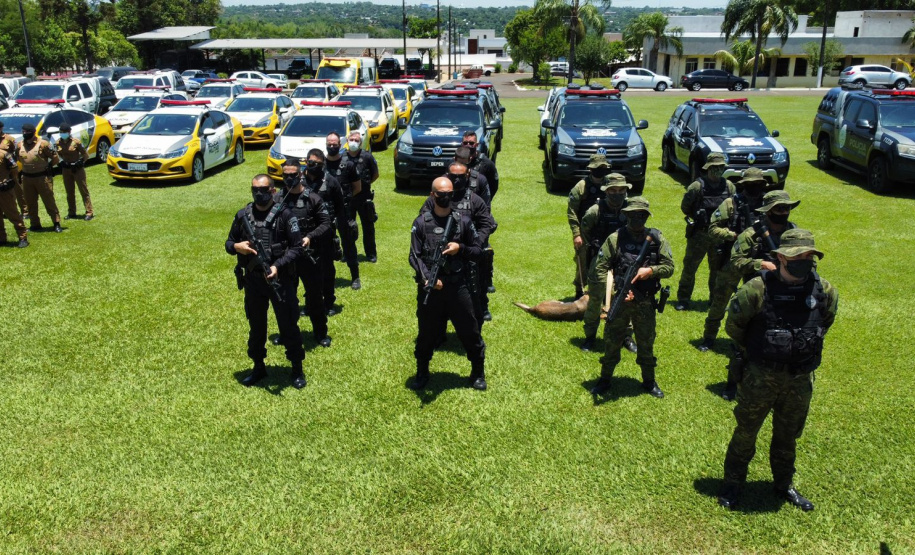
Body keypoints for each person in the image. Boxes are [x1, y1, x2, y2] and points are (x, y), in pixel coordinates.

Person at [717, 229, 838, 512]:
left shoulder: (825, 291)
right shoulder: (756, 290)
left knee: (787, 436)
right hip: (760, 376)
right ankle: (733, 484)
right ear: (781, 257)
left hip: (799, 379)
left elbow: (825, 322)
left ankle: (784, 485)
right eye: (797, 256)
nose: (803, 261)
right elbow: (734, 327)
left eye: (809, 256)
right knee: (746, 432)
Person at [709, 189, 800, 400]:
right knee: (744, 346)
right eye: (778, 208)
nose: (783, 212)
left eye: (786, 208)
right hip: (757, 294)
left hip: (787, 293)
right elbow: (736, 261)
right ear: (768, 211)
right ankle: (733, 383)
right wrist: (761, 264)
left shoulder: (793, 233)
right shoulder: (751, 234)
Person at [583, 197, 674, 398]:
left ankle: (649, 381)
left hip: (646, 301)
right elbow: (599, 268)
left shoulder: (657, 238)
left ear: (647, 216)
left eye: (641, 215)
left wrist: (650, 271)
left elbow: (670, 267)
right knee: (612, 341)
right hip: (621, 300)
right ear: (626, 215)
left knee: (646, 342)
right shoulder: (615, 239)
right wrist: (612, 292)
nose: (637, 219)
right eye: (632, 215)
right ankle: (605, 379)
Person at [226, 174, 306, 388]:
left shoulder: (285, 216)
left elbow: (298, 247)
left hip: (280, 281)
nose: (258, 194)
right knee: (257, 326)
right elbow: (228, 242)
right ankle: (258, 366)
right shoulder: (243, 215)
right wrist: (237, 247)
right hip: (253, 282)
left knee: (288, 324)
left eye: (263, 190)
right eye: (255, 190)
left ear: (272, 191)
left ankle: (296, 368)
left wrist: (277, 266)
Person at [409, 176, 487, 391]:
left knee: (470, 331)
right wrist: (427, 278)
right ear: (432, 195)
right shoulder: (421, 222)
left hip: (458, 287)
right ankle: (422, 371)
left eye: (450, 194)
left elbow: (478, 252)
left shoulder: (463, 222)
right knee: (426, 333)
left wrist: (459, 248)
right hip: (431, 289)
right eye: (442, 194)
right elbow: (414, 256)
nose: (446, 197)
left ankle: (478, 372)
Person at [421, 160, 497, 325]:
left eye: (460, 177)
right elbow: (423, 221)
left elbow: (486, 224)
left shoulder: (475, 201)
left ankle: (480, 315)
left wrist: (476, 243)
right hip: (443, 254)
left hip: (469, 255)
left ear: (467, 176)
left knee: (475, 293)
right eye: (452, 176)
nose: (456, 180)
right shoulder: (436, 198)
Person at [701, 169, 769, 353]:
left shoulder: (768, 204)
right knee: (719, 301)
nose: (754, 188)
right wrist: (734, 236)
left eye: (757, 184)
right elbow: (713, 229)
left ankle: (747, 341)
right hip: (732, 261)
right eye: (750, 185)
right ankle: (708, 338)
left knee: (756, 305)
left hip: (758, 262)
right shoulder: (732, 203)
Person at [579, 172, 637, 354]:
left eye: (621, 191)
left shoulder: (631, 210)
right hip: (601, 259)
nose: (617, 194)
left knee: (626, 298)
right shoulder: (595, 211)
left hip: (625, 259)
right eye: (613, 190)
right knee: (595, 299)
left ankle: (626, 336)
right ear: (606, 191)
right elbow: (585, 230)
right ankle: (590, 336)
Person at [279, 156, 333, 347]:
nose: (289, 178)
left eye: (292, 174)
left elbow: (326, 223)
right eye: (285, 175)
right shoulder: (278, 199)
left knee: (315, 297)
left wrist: (309, 237)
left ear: (300, 174)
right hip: (286, 259)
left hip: (309, 257)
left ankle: (320, 333)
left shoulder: (312, 198)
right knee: (286, 298)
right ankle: (286, 332)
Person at [675, 152, 735, 311]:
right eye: (714, 167)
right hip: (699, 234)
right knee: (690, 267)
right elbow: (685, 207)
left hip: (720, 235)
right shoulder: (697, 186)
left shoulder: (729, 187)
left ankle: (714, 299)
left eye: (720, 167)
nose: (717, 170)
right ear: (708, 168)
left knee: (717, 270)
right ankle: (683, 298)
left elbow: (733, 208)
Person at [568, 154, 612, 298]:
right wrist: (576, 234)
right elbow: (572, 211)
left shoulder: (611, 185)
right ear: (590, 169)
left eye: (603, 168)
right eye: (597, 168)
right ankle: (579, 290)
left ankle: (606, 292)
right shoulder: (581, 187)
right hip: (585, 230)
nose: (600, 170)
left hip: (607, 229)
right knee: (582, 260)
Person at [309, 148, 347, 315]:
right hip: (306, 233)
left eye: (317, 164)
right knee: (307, 269)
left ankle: (329, 301)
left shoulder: (331, 181)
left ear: (323, 164)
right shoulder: (299, 181)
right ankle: (311, 302)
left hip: (326, 232)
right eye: (311, 163)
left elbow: (340, 206)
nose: (313, 166)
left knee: (327, 269)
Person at [324, 131, 361, 290]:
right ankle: (326, 277)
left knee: (349, 243)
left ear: (340, 145)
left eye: (335, 144)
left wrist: (342, 201)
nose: (332, 146)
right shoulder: (321, 165)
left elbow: (357, 188)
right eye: (329, 144)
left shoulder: (349, 165)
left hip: (344, 211)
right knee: (325, 245)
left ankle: (355, 277)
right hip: (324, 212)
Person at [18, 123, 61, 233]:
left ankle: (56, 223)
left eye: (27, 133)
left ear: (33, 133)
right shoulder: (20, 145)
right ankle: (35, 224)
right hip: (27, 178)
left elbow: (55, 158)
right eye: (23, 132)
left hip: (42, 177)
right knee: (30, 202)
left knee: (49, 201)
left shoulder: (43, 144)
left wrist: (49, 167)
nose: (25, 134)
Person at [345, 131, 379, 264]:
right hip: (348, 198)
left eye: (356, 140)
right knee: (347, 227)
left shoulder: (367, 157)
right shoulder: (343, 157)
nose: (354, 142)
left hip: (364, 198)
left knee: (368, 227)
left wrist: (365, 184)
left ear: (360, 142)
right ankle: (348, 253)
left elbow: (375, 174)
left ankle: (370, 254)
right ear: (347, 140)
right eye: (351, 139)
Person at [56, 123, 95, 221]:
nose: (62, 134)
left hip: (77, 169)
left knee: (83, 190)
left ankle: (89, 212)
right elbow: (58, 155)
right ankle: (72, 212)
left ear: (69, 132)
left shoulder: (76, 142)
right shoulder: (58, 143)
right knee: (69, 192)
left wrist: (80, 162)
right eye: (61, 132)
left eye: (64, 132)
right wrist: (61, 162)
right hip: (66, 169)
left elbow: (85, 155)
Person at [0, 146, 28, 247]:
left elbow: (14, 169)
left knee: (13, 214)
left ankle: (23, 237)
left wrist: (8, 181)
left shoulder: (4, 154)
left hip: (4, 190)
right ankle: (2, 238)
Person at [0, 120, 27, 220]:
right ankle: (5, 211)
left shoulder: (9, 139)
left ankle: (25, 210)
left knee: (17, 189)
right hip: (0, 169)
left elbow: (16, 152)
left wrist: (14, 166)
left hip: (10, 168)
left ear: (1, 128)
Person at [460, 130, 499, 198]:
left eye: (471, 143)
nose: (468, 145)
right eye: (465, 143)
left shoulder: (487, 164)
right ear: (462, 144)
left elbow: (493, 186)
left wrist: (484, 201)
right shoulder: (456, 162)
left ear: (477, 145)